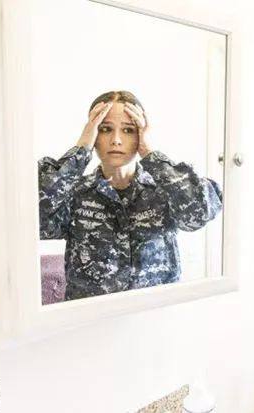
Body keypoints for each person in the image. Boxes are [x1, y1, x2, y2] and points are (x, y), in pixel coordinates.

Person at [38, 90, 222, 301]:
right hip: (91, 318)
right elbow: (33, 218)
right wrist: (81, 148)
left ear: (140, 135)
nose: (116, 140)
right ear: (93, 135)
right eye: (105, 129)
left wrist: (149, 153)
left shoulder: (164, 189)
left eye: (128, 130)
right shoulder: (74, 193)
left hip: (156, 314)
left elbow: (199, 212)